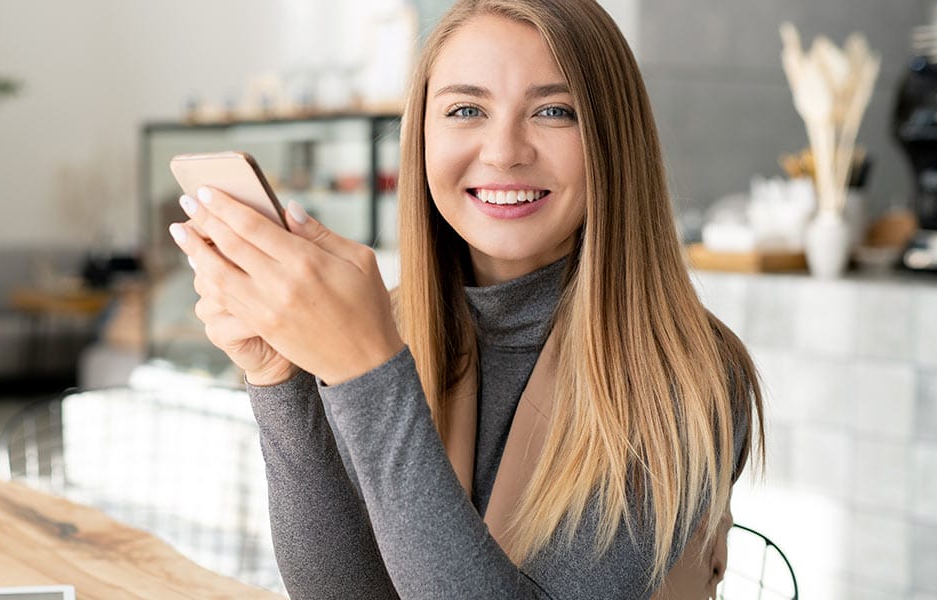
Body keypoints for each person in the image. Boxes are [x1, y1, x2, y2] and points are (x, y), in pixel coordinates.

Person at [169, 0, 764, 597]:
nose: (504, 151)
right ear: (420, 136)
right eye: (466, 109)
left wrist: (368, 372)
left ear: (614, 141)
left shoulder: (689, 378)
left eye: (554, 111)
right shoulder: (390, 325)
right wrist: (280, 379)